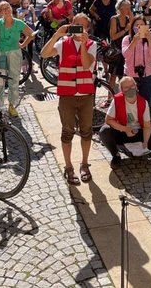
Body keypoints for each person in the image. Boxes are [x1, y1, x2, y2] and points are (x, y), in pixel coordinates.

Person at [40, 14, 96, 185]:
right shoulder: (63, 43)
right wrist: (57, 34)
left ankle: (85, 164)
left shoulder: (91, 44)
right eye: (76, 24)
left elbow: (86, 65)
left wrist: (84, 45)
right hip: (67, 96)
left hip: (85, 95)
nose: (79, 28)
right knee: (67, 131)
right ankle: (69, 166)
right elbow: (44, 54)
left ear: (87, 28)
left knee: (86, 131)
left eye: (82, 26)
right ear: (71, 25)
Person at [0, 1, 34, 117]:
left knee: (14, 79)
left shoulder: (18, 23)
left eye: (8, 7)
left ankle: (12, 105)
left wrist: (23, 44)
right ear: (1, 12)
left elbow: (31, 34)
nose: (7, 10)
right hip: (2, 54)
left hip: (15, 54)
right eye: (3, 9)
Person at [99, 76, 151, 166]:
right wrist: (125, 129)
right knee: (104, 131)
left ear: (136, 87)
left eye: (132, 86)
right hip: (121, 132)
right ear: (122, 90)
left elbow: (147, 126)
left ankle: (139, 151)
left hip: (138, 132)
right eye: (126, 87)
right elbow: (108, 120)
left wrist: (145, 142)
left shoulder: (143, 102)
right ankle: (115, 155)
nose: (130, 89)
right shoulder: (117, 100)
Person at [122, 15, 151, 111]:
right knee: (129, 105)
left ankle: (146, 120)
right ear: (132, 27)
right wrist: (134, 41)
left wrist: (149, 39)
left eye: (142, 25)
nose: (139, 28)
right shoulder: (127, 39)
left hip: (147, 77)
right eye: (136, 25)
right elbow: (125, 55)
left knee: (146, 105)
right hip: (130, 77)